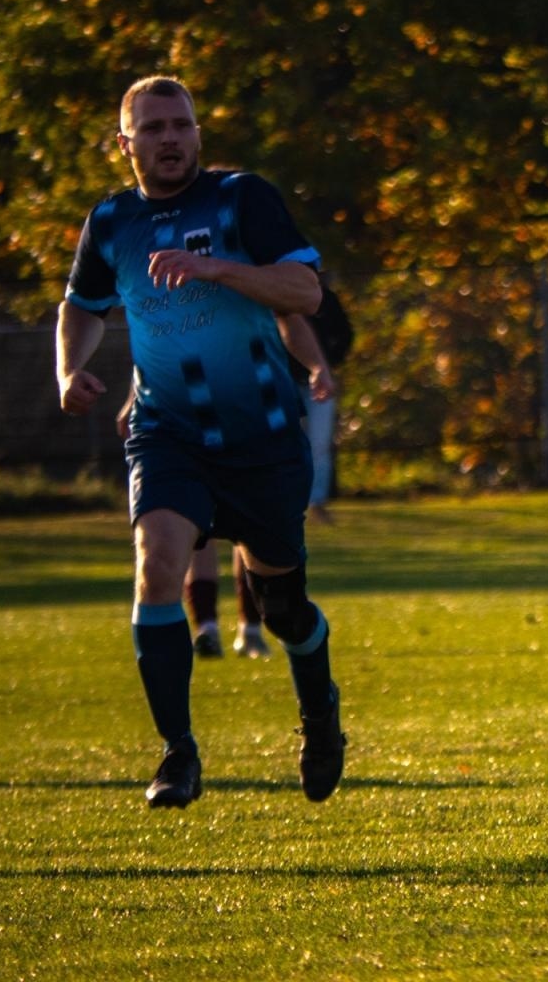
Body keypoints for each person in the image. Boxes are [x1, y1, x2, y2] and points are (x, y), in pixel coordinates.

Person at [56, 75, 346, 809]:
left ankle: (320, 715)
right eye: (152, 128)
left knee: (283, 610)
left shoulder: (242, 198)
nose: (170, 139)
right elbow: (81, 306)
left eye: (180, 125)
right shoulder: (112, 221)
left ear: (197, 134)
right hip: (168, 433)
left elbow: (305, 293)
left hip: (264, 438)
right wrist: (68, 368)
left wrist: (219, 268)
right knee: (157, 564)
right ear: (125, 144)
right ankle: (178, 754)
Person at [297, 281, 352, 524]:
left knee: (318, 443)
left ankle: (316, 501)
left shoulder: (326, 298)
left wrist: (327, 363)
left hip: (318, 384)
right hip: (284, 381)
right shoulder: (280, 293)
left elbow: (345, 334)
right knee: (286, 443)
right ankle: (290, 501)